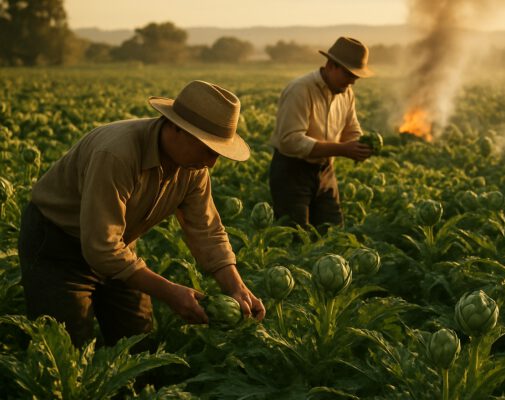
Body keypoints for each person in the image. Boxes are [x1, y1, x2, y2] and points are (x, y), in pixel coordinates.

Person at [18, 80, 266, 347]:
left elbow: (206, 230)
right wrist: (170, 292)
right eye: (208, 149)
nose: (211, 162)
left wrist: (236, 287)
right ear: (177, 128)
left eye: (217, 153)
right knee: (65, 350)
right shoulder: (116, 154)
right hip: (57, 246)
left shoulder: (194, 169)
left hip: (118, 248)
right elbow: (101, 247)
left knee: (138, 342)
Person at [269, 36, 374, 232]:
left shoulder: (346, 92)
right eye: (349, 74)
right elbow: (290, 141)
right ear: (331, 65)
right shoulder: (301, 89)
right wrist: (342, 149)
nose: (352, 81)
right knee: (296, 236)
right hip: (292, 171)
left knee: (333, 233)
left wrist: (360, 145)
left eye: (355, 77)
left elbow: (351, 129)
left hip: (325, 170)